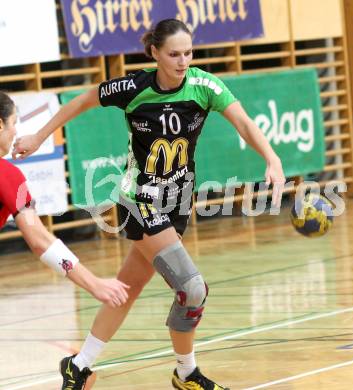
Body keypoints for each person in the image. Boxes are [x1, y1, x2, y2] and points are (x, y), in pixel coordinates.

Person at [13, 19, 285, 390]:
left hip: (177, 203)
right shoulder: (134, 87)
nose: (183, 61)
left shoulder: (204, 86)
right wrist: (38, 136)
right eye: (174, 54)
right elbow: (81, 101)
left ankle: (79, 365)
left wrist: (272, 158)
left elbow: (245, 124)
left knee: (127, 288)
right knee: (192, 289)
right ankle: (186, 372)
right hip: (139, 201)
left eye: (188, 53)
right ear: (154, 53)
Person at [0, 91, 129, 311]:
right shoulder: (8, 175)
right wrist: (94, 284)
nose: (16, 131)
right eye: (13, 123)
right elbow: (39, 240)